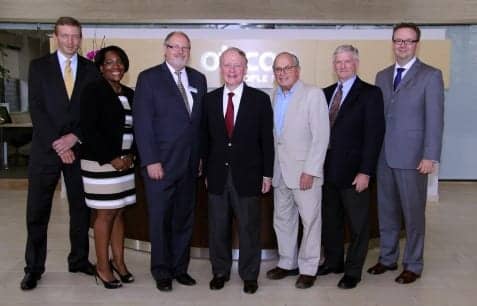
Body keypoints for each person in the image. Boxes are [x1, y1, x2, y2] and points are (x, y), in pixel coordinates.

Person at [21, 16, 99, 290]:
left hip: (79, 149)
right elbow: (37, 108)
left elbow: (93, 112)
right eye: (64, 35)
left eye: (75, 36)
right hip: (46, 149)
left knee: (81, 208)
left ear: (80, 37)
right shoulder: (39, 67)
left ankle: (78, 259)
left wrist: (74, 137)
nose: (70, 41)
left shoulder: (92, 70)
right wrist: (58, 142)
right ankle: (33, 268)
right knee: (37, 211)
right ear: (56, 37)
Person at [367, 23, 445, 284]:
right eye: (398, 40)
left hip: (413, 159)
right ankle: (388, 259)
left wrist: (430, 155)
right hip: (384, 157)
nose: (402, 45)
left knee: (412, 214)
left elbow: (435, 120)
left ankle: (413, 263)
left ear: (416, 44)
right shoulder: (382, 75)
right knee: (386, 211)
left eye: (408, 41)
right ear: (392, 43)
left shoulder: (430, 76)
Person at [133, 31, 207, 292]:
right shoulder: (149, 78)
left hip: (189, 165)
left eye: (185, 47)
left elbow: (198, 125)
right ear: (165, 49)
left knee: (184, 219)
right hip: (160, 166)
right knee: (160, 220)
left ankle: (180, 268)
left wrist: (199, 158)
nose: (180, 51)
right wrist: (151, 160)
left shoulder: (199, 78)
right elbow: (142, 124)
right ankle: (161, 271)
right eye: (174, 47)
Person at [201, 47, 274, 294]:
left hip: (249, 176)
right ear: (220, 69)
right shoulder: (209, 100)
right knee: (218, 227)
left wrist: (267, 174)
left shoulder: (260, 99)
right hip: (218, 177)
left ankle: (249, 274)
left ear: (245, 69)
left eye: (237, 65)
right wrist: (206, 172)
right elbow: (205, 140)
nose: (232, 70)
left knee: (249, 228)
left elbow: (267, 140)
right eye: (227, 65)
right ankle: (219, 271)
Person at [318, 45, 385, 289]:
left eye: (347, 61)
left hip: (355, 173)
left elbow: (374, 135)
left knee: (358, 225)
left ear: (356, 63)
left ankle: (353, 270)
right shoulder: (324, 94)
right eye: (338, 62)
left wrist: (366, 171)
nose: (342, 66)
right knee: (331, 222)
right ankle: (334, 262)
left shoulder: (370, 93)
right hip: (326, 172)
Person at [265, 52, 329, 289]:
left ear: (297, 70)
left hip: (305, 173)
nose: (282, 73)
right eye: (278, 69)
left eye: (287, 68)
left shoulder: (313, 95)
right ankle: (286, 262)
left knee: (310, 220)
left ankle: (309, 267)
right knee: (283, 219)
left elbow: (321, 137)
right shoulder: (272, 96)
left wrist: (311, 170)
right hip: (280, 171)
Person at [80, 46, 136, 289]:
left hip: (126, 163)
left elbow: (137, 128)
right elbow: (89, 130)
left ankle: (119, 262)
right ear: (101, 67)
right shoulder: (92, 91)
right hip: (101, 164)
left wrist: (132, 155)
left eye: (120, 62)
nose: (116, 66)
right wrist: (112, 158)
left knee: (119, 210)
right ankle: (102, 267)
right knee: (105, 214)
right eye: (110, 62)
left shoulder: (129, 93)